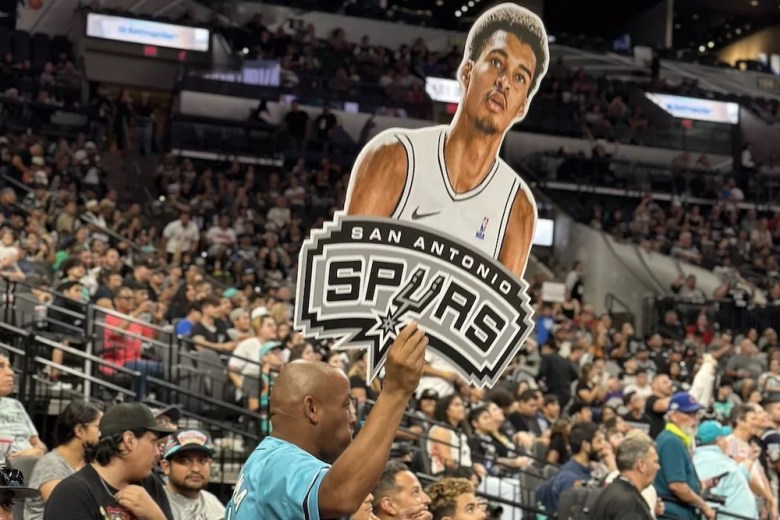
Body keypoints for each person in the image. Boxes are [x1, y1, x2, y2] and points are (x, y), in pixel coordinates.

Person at [345, 3, 548, 278]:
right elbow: (345, 277)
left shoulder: (517, 208)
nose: (504, 82)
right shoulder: (394, 157)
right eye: (497, 62)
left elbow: (498, 318)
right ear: (466, 72)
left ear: (522, 106)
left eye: (520, 77)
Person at [224, 322, 428, 519]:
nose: (352, 418)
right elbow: (342, 495)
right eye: (345, 405)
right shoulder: (278, 462)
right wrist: (396, 391)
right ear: (312, 409)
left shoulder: (266, 458)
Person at [43, 402, 176, 520]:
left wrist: (155, 516)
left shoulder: (150, 484)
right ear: (129, 441)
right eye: (153, 442)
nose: (158, 453)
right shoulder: (72, 493)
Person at [24, 401, 103, 520]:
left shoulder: (89, 463)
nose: (102, 434)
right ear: (79, 430)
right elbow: (68, 509)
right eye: (98, 427)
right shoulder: (51, 465)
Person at [653, 392, 716, 520]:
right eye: (689, 414)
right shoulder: (671, 441)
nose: (695, 419)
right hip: (673, 513)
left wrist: (699, 484)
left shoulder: (675, 439)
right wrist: (704, 507)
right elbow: (677, 485)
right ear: (674, 416)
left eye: (696, 414)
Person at [692, 420, 758, 520]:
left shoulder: (717, 458)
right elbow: (709, 498)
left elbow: (734, 480)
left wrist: (750, 459)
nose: (727, 441)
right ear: (719, 440)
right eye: (724, 438)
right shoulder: (706, 460)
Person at [534, 422, 606, 512]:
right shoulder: (568, 478)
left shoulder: (592, 470)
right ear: (585, 445)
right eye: (599, 441)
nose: (604, 445)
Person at [588, 436, 659, 520]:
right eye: (655, 462)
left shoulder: (610, 491)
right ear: (641, 465)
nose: (658, 467)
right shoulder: (629, 504)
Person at [160, 429, 224, 520]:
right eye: (184, 461)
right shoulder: (154, 502)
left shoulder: (212, 502)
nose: (196, 469)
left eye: (202, 461)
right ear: (166, 466)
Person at [0, 351, 47, 458]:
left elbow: (39, 446)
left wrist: (35, 452)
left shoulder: (16, 405)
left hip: (30, 466)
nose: (10, 372)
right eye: (0, 366)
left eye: (9, 366)